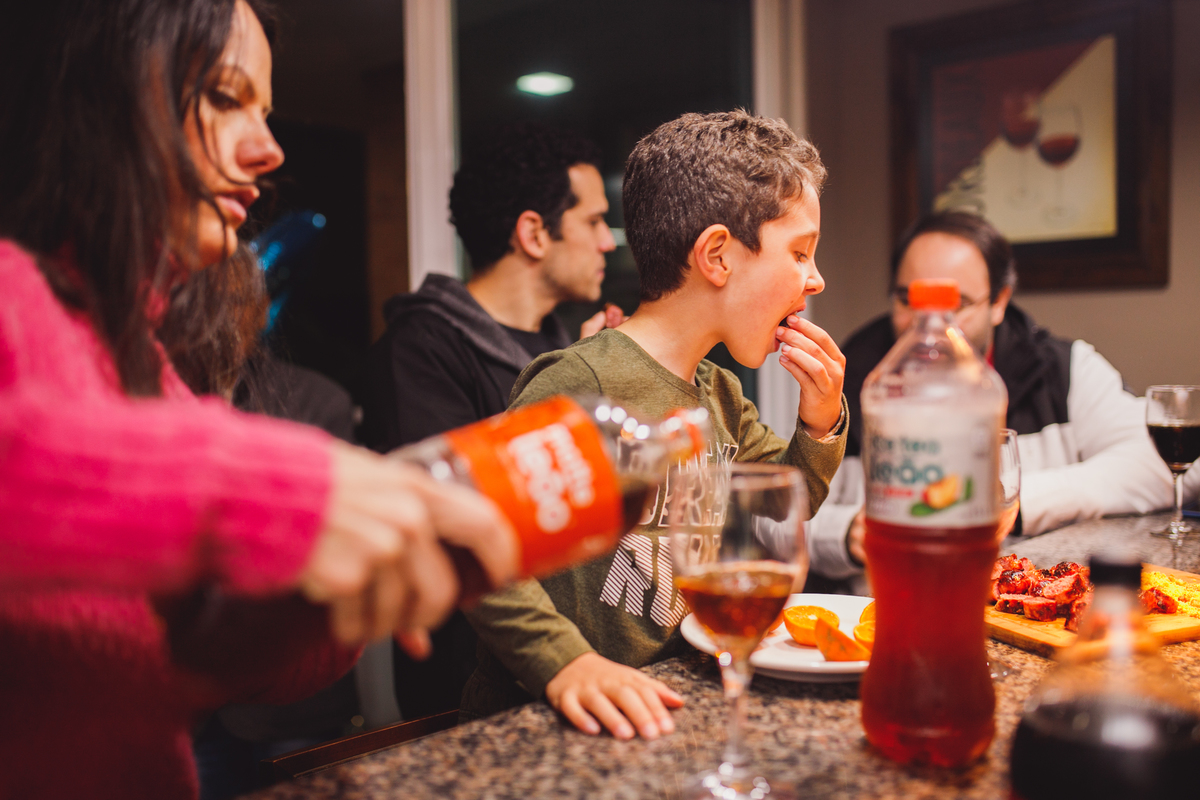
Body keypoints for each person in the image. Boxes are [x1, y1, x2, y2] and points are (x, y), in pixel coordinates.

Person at [0, 2, 517, 798]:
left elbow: (188, 661)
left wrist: (327, 601)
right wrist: (279, 493)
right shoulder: (13, 291)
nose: (267, 149)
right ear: (100, 95)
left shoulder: (149, 365)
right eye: (222, 96)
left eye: (265, 110)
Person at [462, 110, 849, 740]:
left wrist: (822, 419)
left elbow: (785, 505)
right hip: (550, 729)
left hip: (668, 708)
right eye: (800, 252)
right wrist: (568, 665)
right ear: (718, 256)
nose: (816, 277)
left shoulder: (719, 392)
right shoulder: (582, 383)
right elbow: (477, 543)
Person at [361, 124, 618, 718]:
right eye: (593, 221)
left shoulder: (564, 346)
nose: (609, 241)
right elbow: (453, 520)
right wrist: (574, 398)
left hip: (573, 674)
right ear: (533, 233)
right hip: (465, 696)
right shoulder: (419, 349)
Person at [805, 211, 1173, 583]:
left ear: (998, 302)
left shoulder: (1064, 370)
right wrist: (844, 529)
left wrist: (1014, 499)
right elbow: (775, 517)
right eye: (907, 299)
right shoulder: (855, 377)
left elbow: (1163, 466)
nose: (928, 323)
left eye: (957, 303)